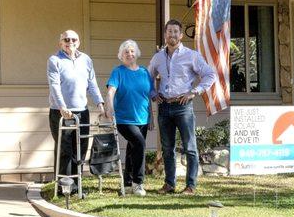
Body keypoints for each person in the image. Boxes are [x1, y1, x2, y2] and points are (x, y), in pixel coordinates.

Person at [148, 19, 216, 195]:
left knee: (190, 147)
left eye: (175, 32)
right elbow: (147, 78)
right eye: (169, 32)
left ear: (181, 34)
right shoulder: (158, 57)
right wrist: (153, 94)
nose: (172, 35)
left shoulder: (191, 55)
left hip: (183, 106)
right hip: (164, 106)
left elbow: (210, 74)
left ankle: (190, 186)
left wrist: (194, 92)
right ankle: (169, 184)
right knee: (167, 148)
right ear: (165, 34)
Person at [47, 30, 105, 193]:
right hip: (61, 112)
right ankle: (64, 187)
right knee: (65, 149)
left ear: (78, 42)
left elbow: (92, 83)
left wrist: (99, 102)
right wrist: (62, 106)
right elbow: (55, 85)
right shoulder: (55, 60)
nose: (70, 42)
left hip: (82, 111)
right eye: (66, 39)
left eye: (73, 39)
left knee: (80, 148)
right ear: (60, 43)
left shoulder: (86, 59)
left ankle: (76, 184)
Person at [104, 39, 154, 197]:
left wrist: (151, 117)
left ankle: (127, 181)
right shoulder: (118, 72)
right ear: (121, 55)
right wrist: (109, 108)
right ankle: (138, 183)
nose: (129, 54)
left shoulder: (144, 72)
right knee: (139, 143)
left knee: (133, 148)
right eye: (126, 52)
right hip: (124, 119)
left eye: (132, 51)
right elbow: (111, 91)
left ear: (137, 53)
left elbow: (148, 95)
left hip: (143, 118)